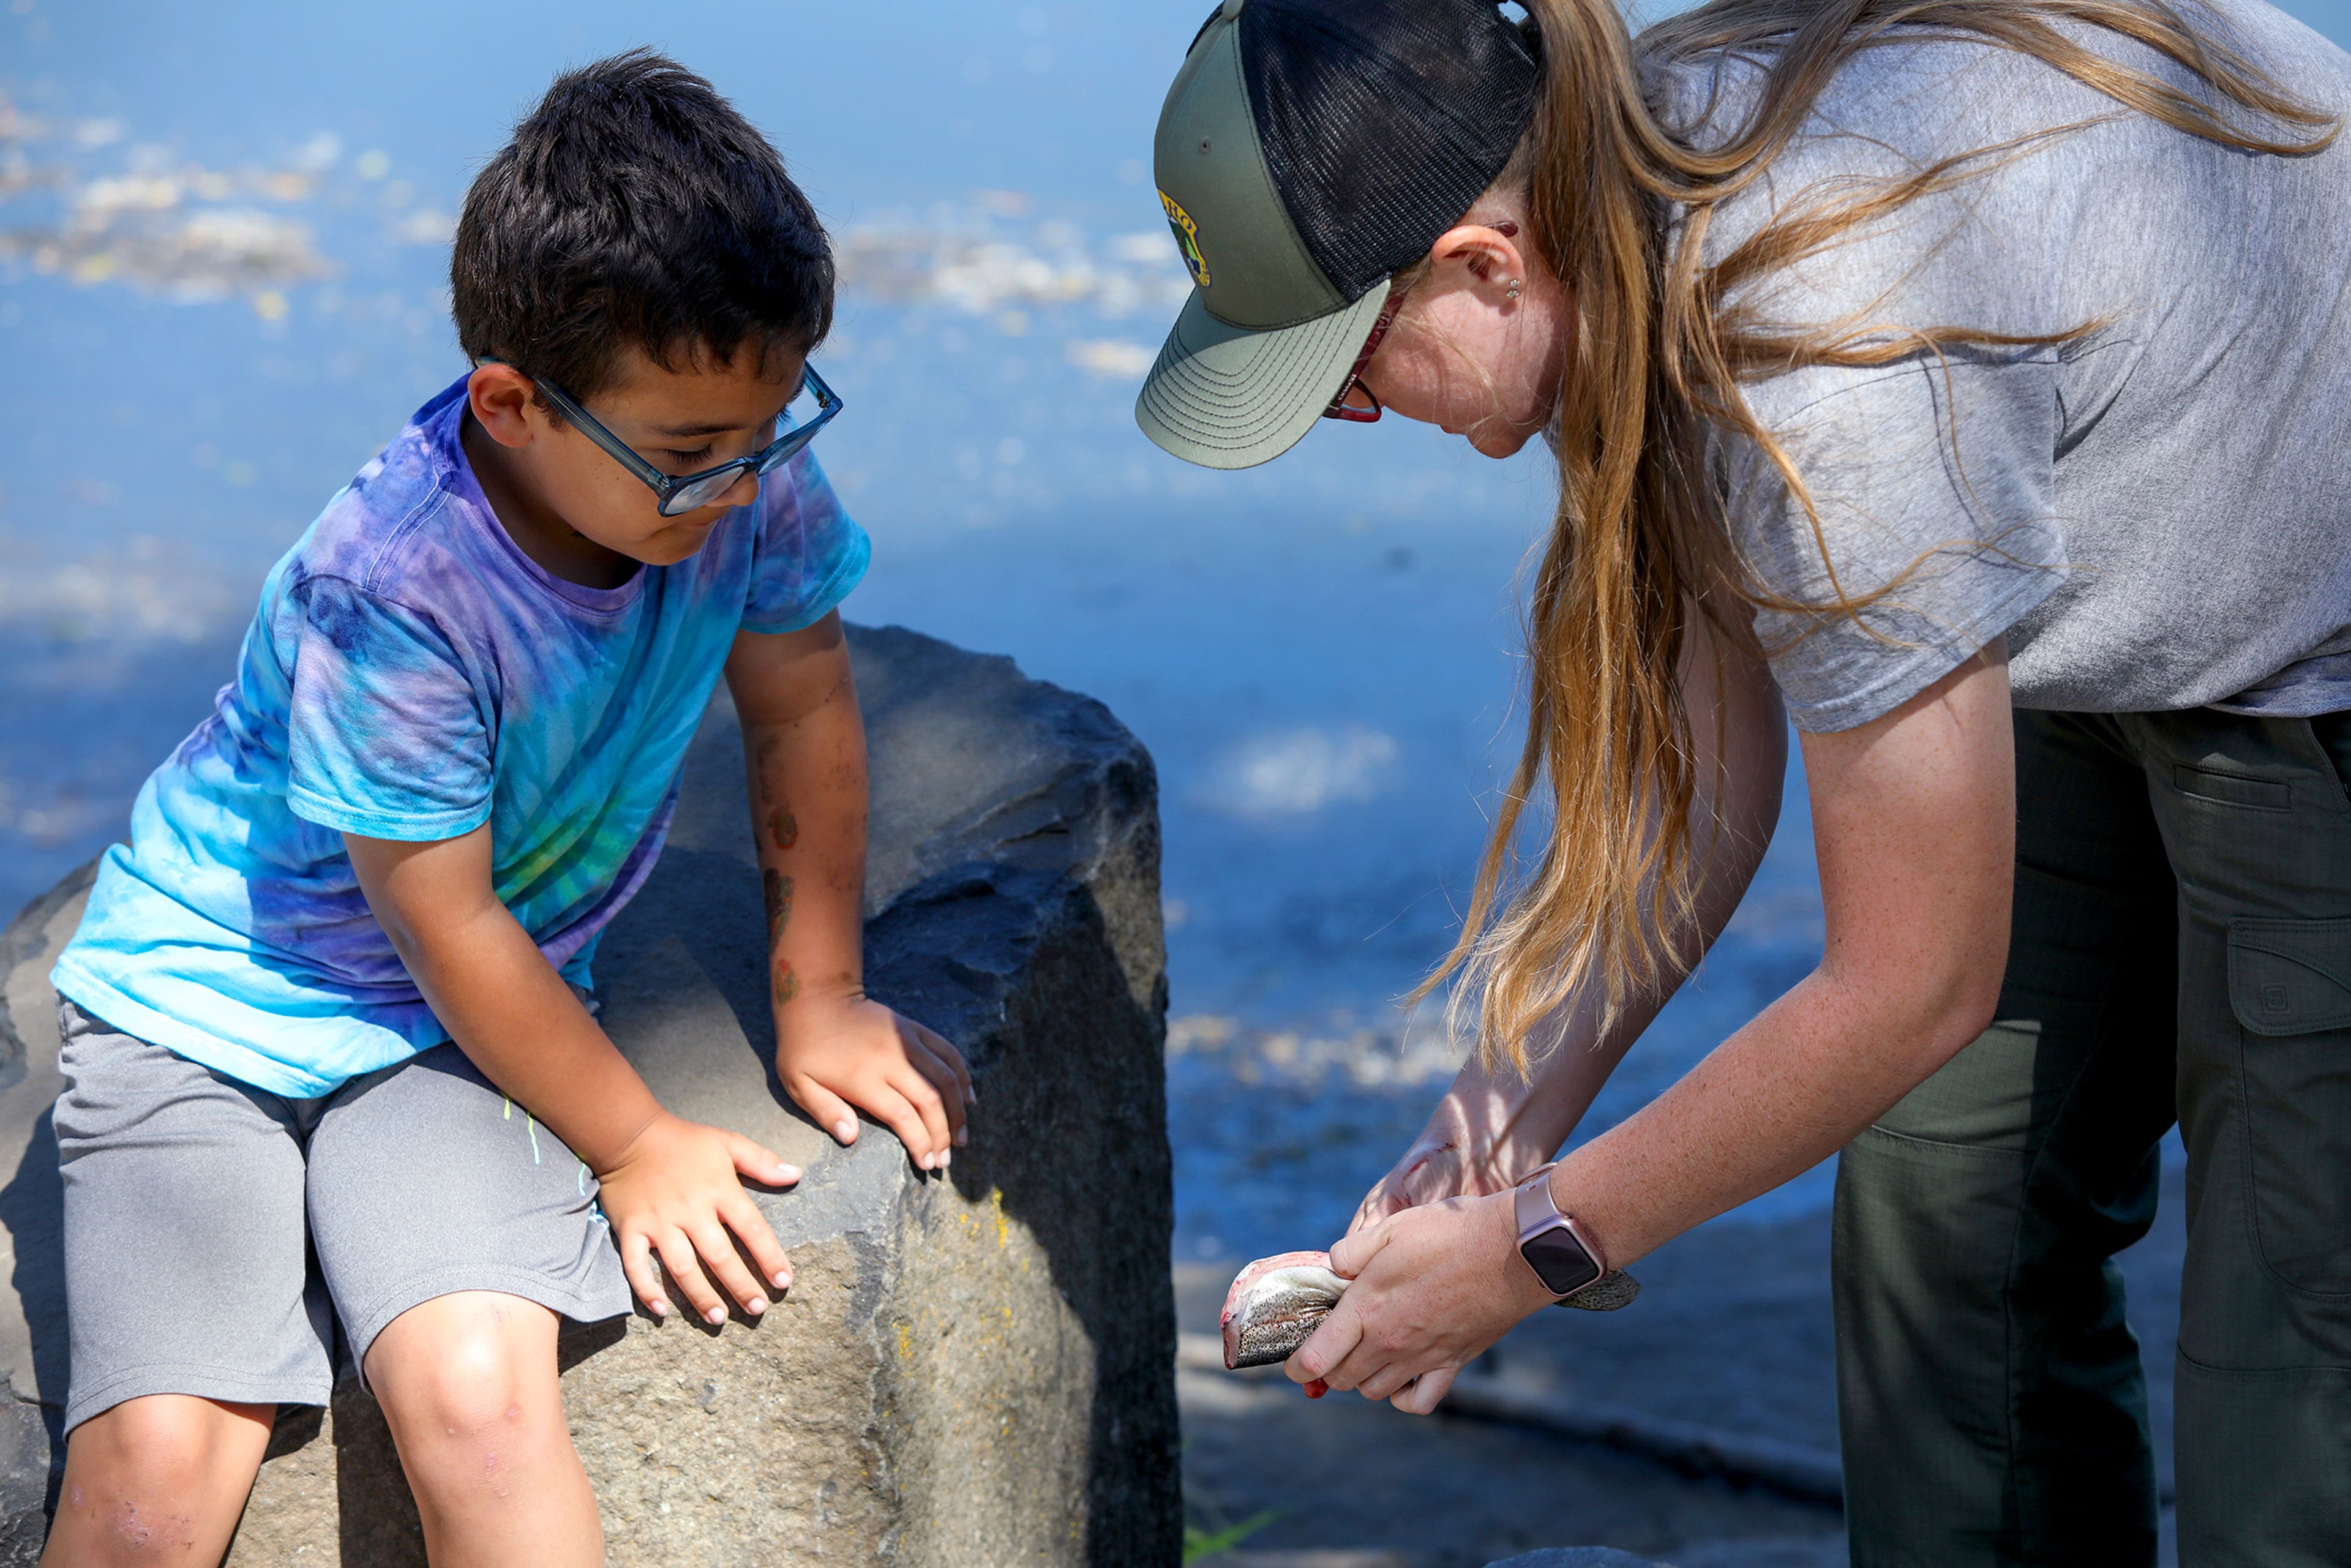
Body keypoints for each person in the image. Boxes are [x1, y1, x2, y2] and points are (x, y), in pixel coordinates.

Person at [1134, 0, 2351, 1562]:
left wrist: (1530, 1254)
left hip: (2316, 639)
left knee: (2293, 1363)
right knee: (1945, 1222)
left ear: (1484, 266)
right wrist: (1501, 1118)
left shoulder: (1821, 366)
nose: (1354, 423)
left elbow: (1914, 988)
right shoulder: (1611, 217)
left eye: (1348, 375)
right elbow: (1708, 786)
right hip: (2095, 545)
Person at [39, 51, 972, 1566]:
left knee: (477, 1400)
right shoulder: (395, 590)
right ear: (512, 401)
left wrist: (825, 999)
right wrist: (635, 1139)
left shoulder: (740, 472)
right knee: (157, 1471)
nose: (740, 484)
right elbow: (442, 913)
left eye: (772, 426)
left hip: (449, 1038)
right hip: (208, 1013)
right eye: (687, 453)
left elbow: (801, 709)